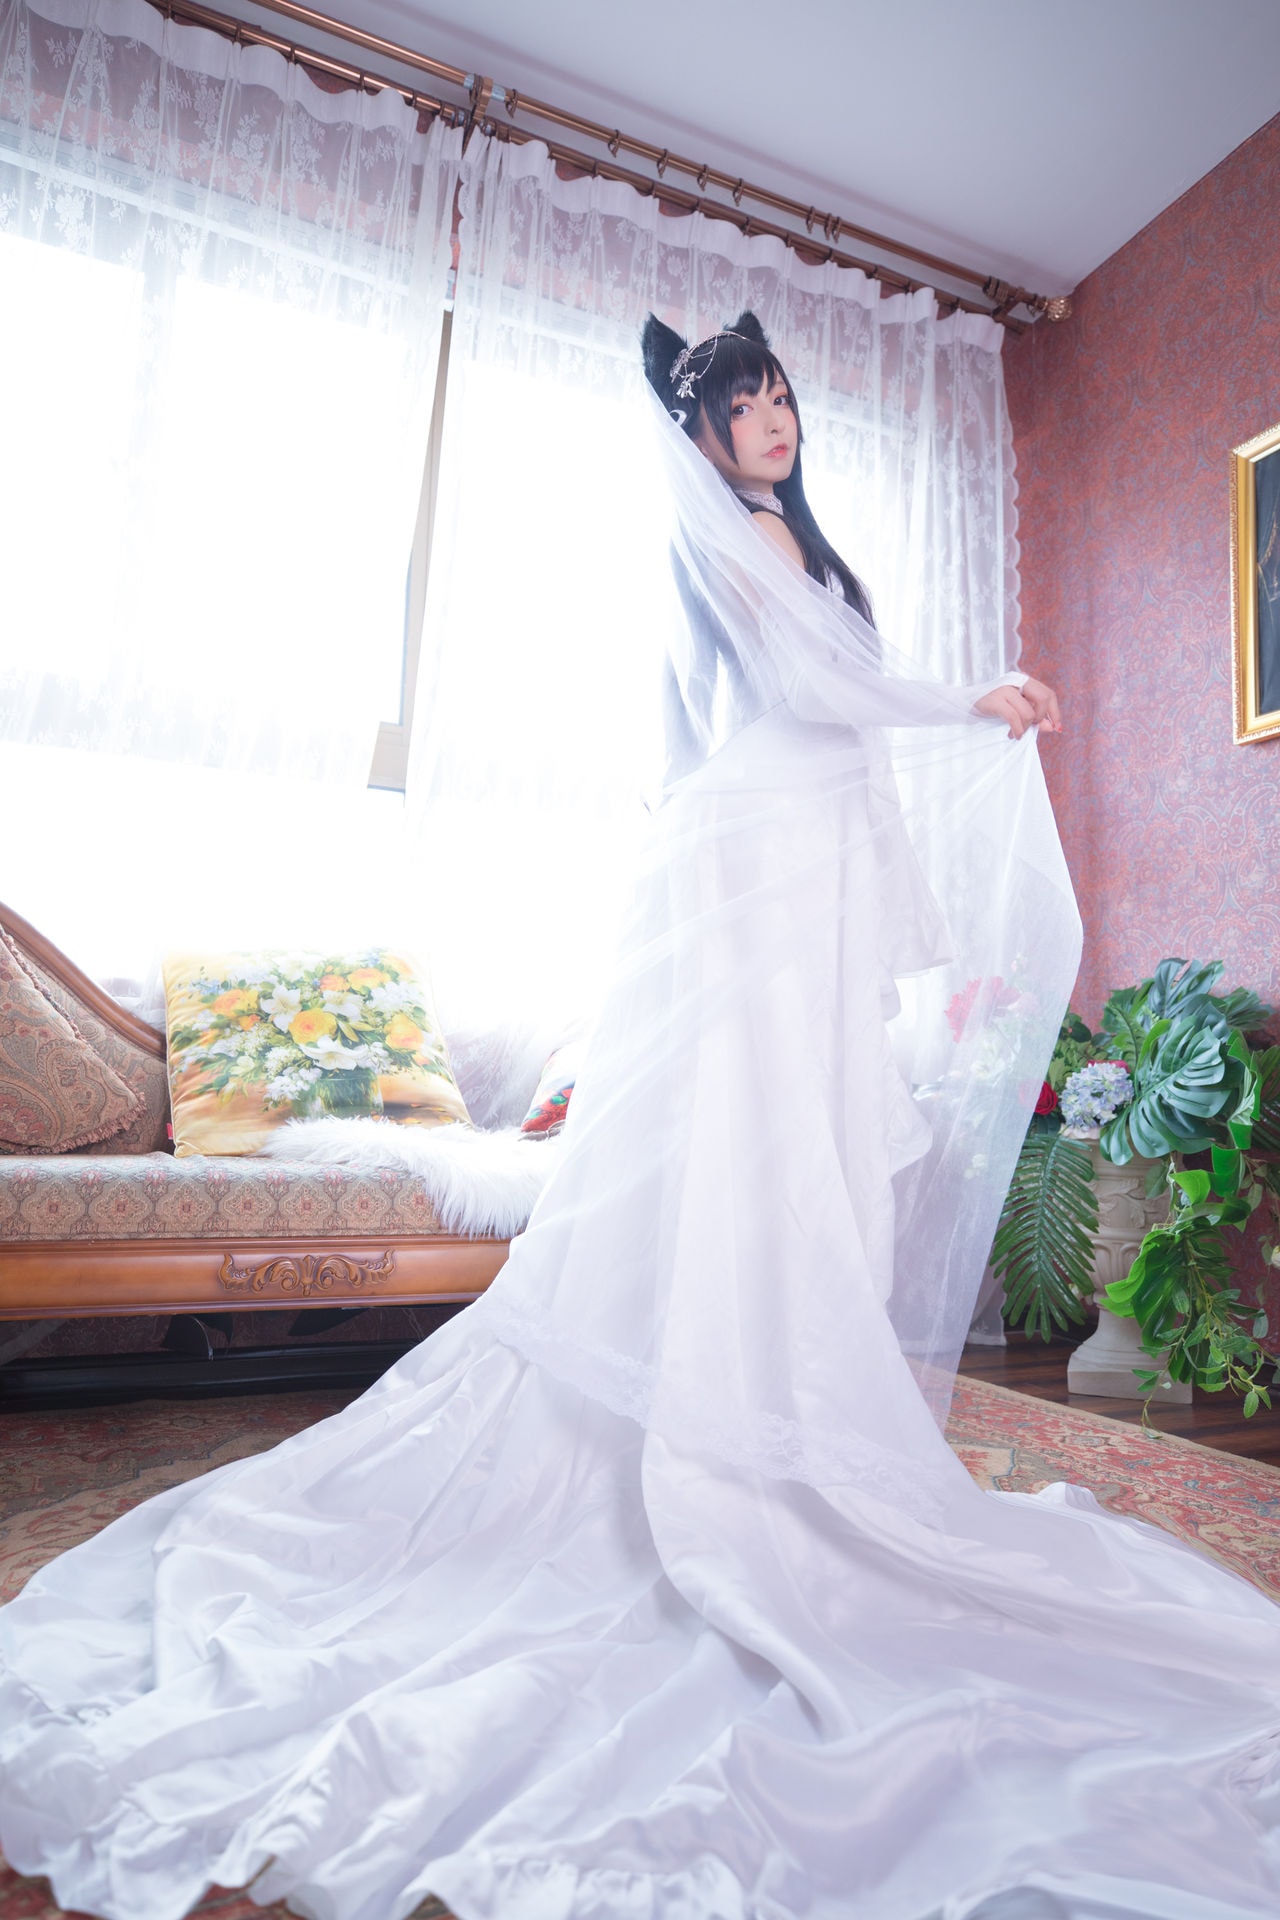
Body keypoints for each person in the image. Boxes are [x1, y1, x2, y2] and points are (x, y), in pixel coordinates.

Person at [2, 314, 1279, 1920]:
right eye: (747, 402)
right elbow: (814, 687)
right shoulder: (740, 544)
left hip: (781, 856)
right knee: (758, 1152)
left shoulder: (774, 539)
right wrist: (969, 700)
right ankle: (737, 1436)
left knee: (784, 1153)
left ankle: (774, 1417)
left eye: (785, 395)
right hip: (764, 862)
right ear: (703, 433)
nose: (777, 419)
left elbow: (807, 702)